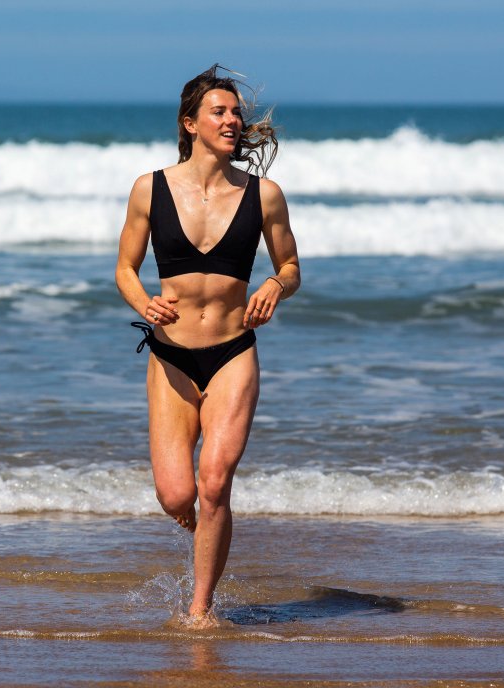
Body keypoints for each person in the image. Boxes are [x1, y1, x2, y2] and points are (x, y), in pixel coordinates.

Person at [115, 65, 300, 627]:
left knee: (214, 481)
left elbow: (290, 266)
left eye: (235, 112)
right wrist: (142, 301)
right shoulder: (150, 188)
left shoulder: (263, 195)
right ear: (189, 123)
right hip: (170, 356)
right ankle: (210, 532)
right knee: (177, 496)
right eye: (218, 112)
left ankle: (201, 608)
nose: (232, 120)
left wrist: (273, 283)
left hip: (233, 353)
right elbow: (124, 267)